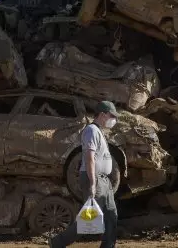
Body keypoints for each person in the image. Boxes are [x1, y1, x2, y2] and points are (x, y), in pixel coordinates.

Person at [49, 100, 119, 248]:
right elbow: (89, 158)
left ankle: (108, 245)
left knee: (111, 215)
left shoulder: (99, 131)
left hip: (104, 181)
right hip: (95, 179)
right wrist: (93, 183)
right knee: (88, 218)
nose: (114, 120)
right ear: (102, 114)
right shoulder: (91, 131)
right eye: (112, 116)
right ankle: (58, 242)